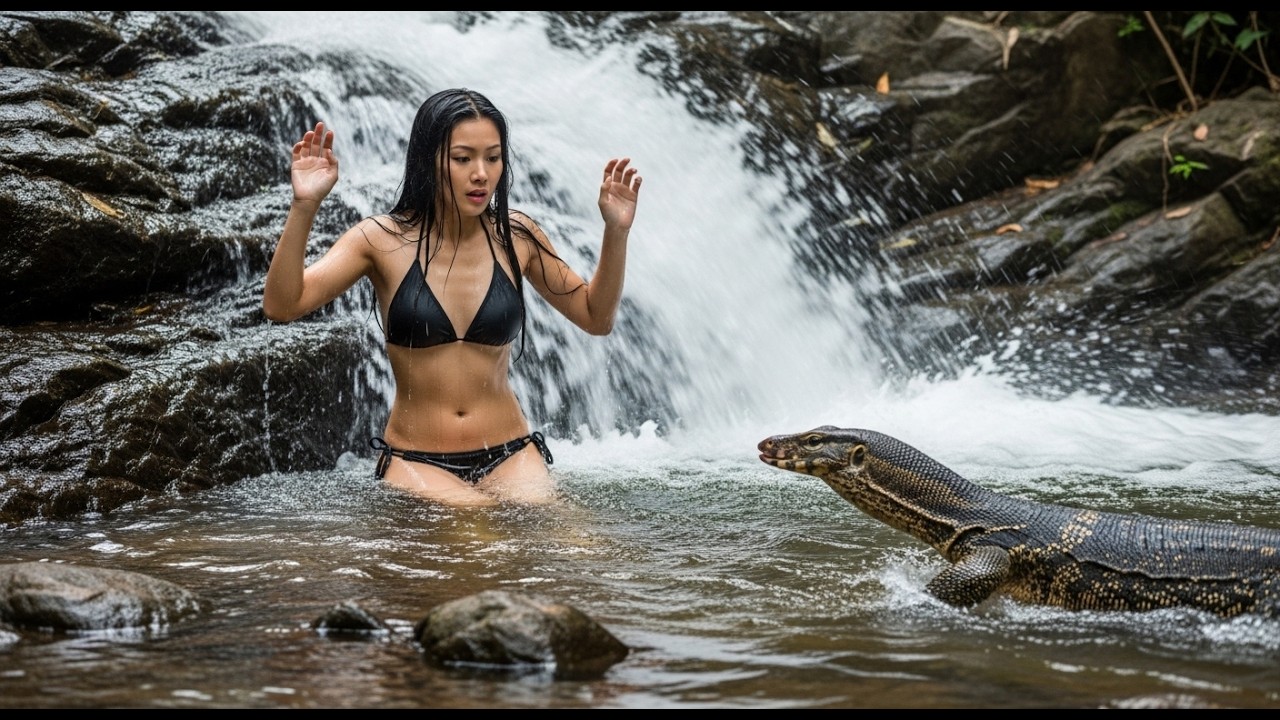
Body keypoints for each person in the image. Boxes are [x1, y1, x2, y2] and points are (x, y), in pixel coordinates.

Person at [262, 88, 641, 507]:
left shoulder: (517, 237)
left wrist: (616, 232)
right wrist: (304, 205)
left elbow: (595, 317)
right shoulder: (380, 239)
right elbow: (282, 305)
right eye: (463, 159)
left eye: (493, 158)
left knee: (573, 537)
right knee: (475, 528)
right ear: (428, 160)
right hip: (418, 460)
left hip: (511, 453)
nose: (481, 174)